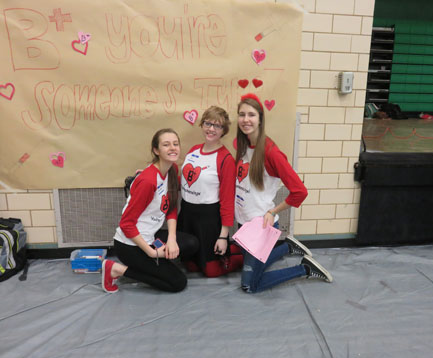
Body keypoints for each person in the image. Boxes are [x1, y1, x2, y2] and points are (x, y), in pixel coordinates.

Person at [234, 93, 333, 293]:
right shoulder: (241, 145)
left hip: (261, 224)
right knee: (253, 265)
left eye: (251, 115)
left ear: (260, 119)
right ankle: (287, 247)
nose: (246, 120)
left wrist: (273, 211)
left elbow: (299, 191)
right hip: (243, 221)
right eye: (242, 114)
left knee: (249, 285)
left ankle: (305, 268)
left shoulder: (271, 153)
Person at [101, 129, 199, 293]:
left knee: (192, 243)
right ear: (156, 150)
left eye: (175, 144)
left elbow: (172, 206)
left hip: (151, 235)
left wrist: (172, 239)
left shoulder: (172, 169)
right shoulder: (148, 181)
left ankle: (157, 264)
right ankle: (116, 269)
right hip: (131, 245)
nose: (172, 148)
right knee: (178, 283)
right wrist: (152, 253)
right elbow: (126, 224)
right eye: (166, 145)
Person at [178, 106, 243, 277]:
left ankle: (245, 255)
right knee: (190, 266)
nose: (211, 129)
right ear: (202, 125)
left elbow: (228, 200)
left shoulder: (226, 159)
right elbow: (184, 180)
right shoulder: (193, 150)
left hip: (209, 219)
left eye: (217, 126)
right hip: (187, 214)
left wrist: (223, 236)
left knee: (212, 271)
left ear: (224, 131)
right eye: (208, 123)